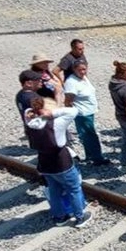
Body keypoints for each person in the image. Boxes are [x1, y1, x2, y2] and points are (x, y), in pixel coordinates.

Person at [25, 97, 93, 228]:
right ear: (46, 110)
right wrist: (52, 113)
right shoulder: (56, 124)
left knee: (54, 190)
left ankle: (59, 217)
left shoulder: (30, 122)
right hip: (61, 161)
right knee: (74, 189)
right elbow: (73, 111)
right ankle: (80, 217)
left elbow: (28, 111)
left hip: (44, 162)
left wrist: (37, 111)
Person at [62, 59, 110, 166]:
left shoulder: (83, 78)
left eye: (84, 69)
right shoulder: (71, 82)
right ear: (74, 69)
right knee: (90, 135)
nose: (83, 72)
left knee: (87, 135)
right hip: (82, 113)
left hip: (89, 111)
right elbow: (68, 100)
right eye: (80, 70)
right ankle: (97, 158)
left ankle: (90, 156)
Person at [108, 61, 126, 172]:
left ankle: (124, 163)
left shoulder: (113, 83)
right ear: (120, 75)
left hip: (120, 116)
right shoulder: (125, 88)